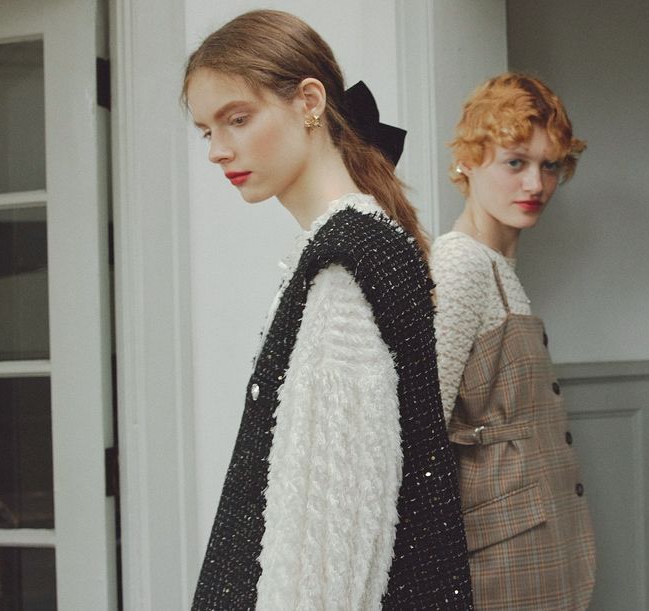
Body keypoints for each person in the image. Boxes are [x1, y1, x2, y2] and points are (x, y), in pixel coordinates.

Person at [182, 10, 472, 610]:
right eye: (206, 130)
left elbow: (332, 536)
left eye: (237, 118)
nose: (217, 150)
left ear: (309, 102)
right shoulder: (350, 244)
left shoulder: (345, 265)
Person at [431, 73, 597, 609]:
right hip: (496, 560)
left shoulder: (497, 265)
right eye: (515, 162)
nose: (535, 185)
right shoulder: (460, 265)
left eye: (550, 166)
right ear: (467, 161)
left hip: (532, 549)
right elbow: (422, 423)